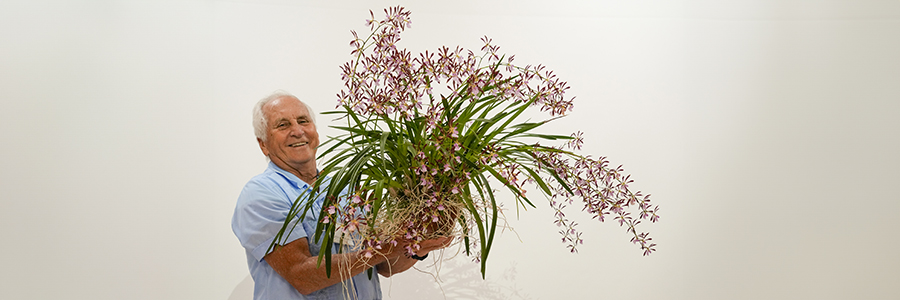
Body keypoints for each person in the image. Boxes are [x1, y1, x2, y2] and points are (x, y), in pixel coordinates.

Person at [232, 91, 450, 299]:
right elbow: (301, 275)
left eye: (303, 121)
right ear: (263, 145)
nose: (297, 131)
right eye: (283, 125)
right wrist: (388, 247)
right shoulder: (261, 195)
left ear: (315, 132)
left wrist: (417, 246)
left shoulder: (346, 188)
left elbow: (384, 266)